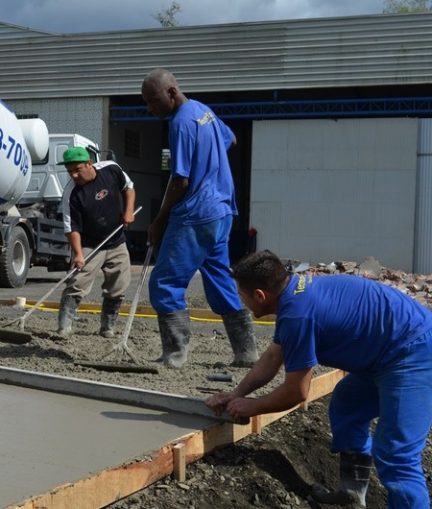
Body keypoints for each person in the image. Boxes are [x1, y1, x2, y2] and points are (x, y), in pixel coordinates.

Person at [207, 250, 432, 508]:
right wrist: (237, 394)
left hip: (413, 352)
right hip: (386, 352)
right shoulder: (294, 294)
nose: (241, 300)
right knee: (348, 403)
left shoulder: (297, 315)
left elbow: (297, 392)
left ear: (260, 296)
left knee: (396, 454)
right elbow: (272, 358)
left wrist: (253, 406)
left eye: (241, 295)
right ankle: (352, 492)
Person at [140, 68, 258, 368]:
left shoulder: (180, 123)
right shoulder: (203, 111)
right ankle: (246, 353)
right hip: (221, 211)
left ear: (171, 92)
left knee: (165, 282)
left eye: (152, 101)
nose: (150, 108)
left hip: (195, 214)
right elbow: (230, 140)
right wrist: (209, 160)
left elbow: (180, 180)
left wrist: (159, 221)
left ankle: (175, 355)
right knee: (219, 279)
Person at [57, 146, 136, 338]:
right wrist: (78, 254)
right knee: (77, 283)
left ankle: (107, 327)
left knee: (118, 285)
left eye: (77, 170)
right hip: (89, 244)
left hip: (116, 240)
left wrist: (128, 211)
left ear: (89, 164)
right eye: (69, 171)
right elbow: (71, 228)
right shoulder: (71, 194)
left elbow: (129, 187)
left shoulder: (111, 169)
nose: (73, 175)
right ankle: (64, 327)